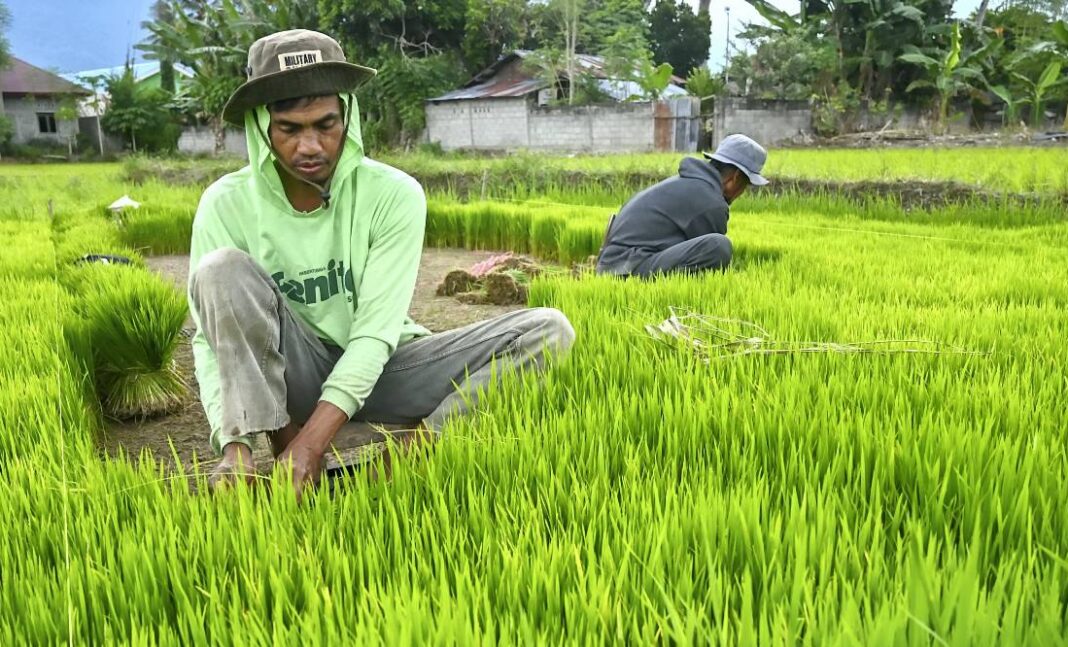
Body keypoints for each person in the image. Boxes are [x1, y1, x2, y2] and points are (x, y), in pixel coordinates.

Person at [188, 29, 575, 498]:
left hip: (382, 370)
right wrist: (233, 445)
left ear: (348, 116)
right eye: (289, 129)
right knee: (220, 269)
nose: (310, 146)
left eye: (326, 125)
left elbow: (374, 334)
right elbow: (213, 340)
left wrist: (315, 444)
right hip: (289, 379)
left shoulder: (393, 194)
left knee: (548, 332)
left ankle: (388, 471)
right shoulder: (226, 203)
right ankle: (277, 458)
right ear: (261, 126)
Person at [595, 134, 769, 278]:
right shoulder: (711, 202)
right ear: (735, 178)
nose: (742, 192)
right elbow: (710, 258)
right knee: (718, 246)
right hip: (626, 267)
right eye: (746, 185)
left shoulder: (685, 184)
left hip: (617, 263)